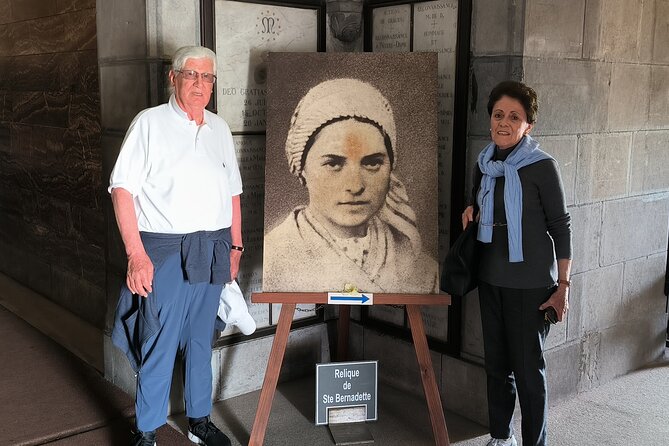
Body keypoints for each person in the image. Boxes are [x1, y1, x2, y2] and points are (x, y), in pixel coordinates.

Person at [108, 46, 242, 446]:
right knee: (158, 342)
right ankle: (147, 430)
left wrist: (235, 249)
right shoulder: (149, 124)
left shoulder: (219, 128)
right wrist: (136, 255)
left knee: (202, 340)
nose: (200, 84)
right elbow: (122, 190)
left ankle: (199, 420)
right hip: (164, 252)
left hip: (214, 248)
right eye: (191, 75)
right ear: (174, 78)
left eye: (208, 77)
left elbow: (234, 194)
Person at [462, 81, 572, 446]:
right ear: (490, 119)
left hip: (531, 286)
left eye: (514, 117)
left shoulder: (542, 167)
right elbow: (481, 209)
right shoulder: (484, 164)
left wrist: (563, 288)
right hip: (491, 279)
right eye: (498, 115)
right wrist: (472, 212)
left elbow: (561, 226)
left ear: (529, 126)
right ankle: (500, 436)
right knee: (496, 368)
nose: (504, 123)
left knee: (528, 373)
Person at [263, 78, 438, 293]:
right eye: (334, 163)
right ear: (302, 168)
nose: (355, 186)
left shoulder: (417, 265)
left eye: (373, 163)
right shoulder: (274, 258)